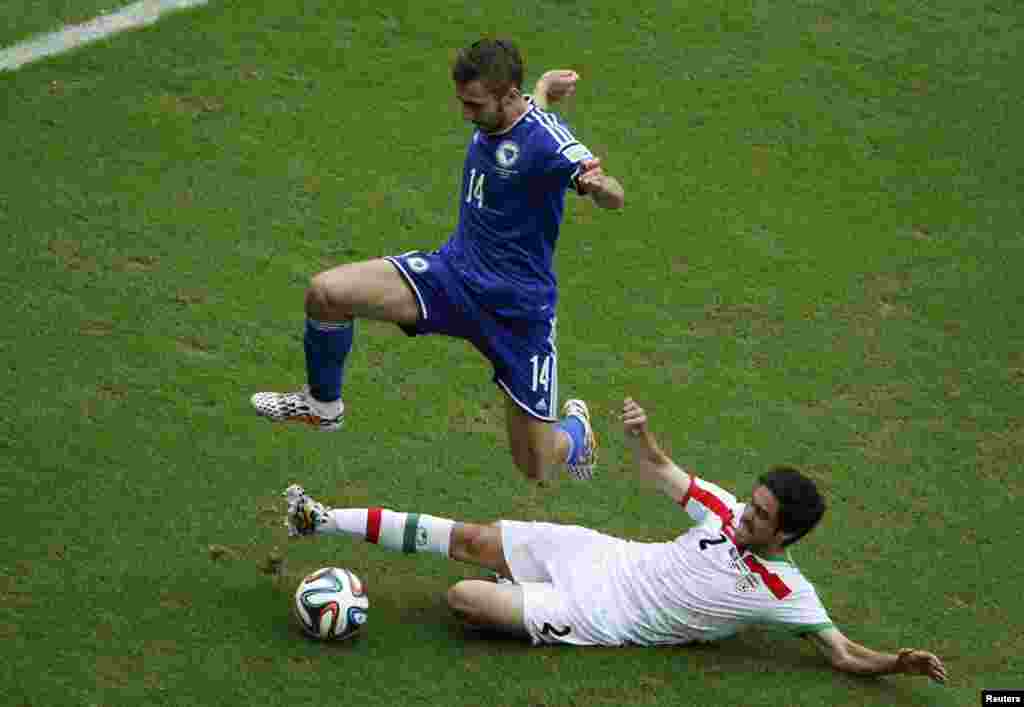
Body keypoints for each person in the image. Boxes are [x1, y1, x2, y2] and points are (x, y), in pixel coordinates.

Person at [281, 397, 947, 684]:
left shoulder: (786, 590)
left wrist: (894, 663)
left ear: (788, 533)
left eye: (762, 516)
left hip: (603, 615)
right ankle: (320, 517)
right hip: (601, 555)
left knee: (464, 599)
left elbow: (842, 653)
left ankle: (519, 595)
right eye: (752, 503)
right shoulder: (723, 508)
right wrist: (642, 434)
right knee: (473, 538)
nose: (745, 516)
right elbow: (662, 470)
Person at [251, 38, 625, 483]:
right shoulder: (503, 112)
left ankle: (577, 434)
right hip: (452, 277)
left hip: (518, 313)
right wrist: (543, 86)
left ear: (506, 96)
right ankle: (323, 406)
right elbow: (527, 118)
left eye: (474, 105)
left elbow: (596, 179)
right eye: (462, 102)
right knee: (326, 293)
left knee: (537, 465)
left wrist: (600, 188)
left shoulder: (547, 141)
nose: (466, 115)